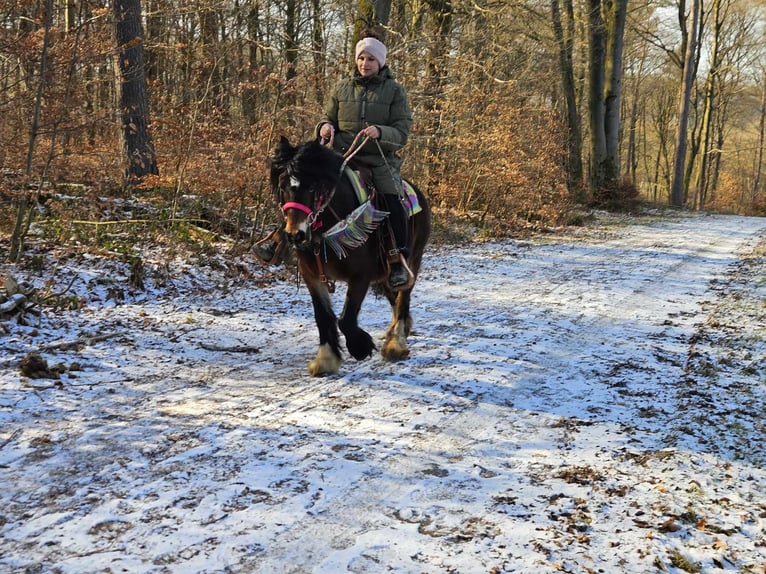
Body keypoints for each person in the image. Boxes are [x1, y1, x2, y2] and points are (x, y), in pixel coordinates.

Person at [256, 30, 414, 291]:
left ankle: (397, 259)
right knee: (302, 186)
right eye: (361, 58)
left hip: (378, 159)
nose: (365, 63)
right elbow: (327, 117)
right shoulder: (341, 88)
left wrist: (381, 132)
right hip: (340, 155)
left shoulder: (395, 91)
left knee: (392, 197)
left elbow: (402, 133)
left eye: (371, 59)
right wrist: (325, 127)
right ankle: (279, 239)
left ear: (381, 62)